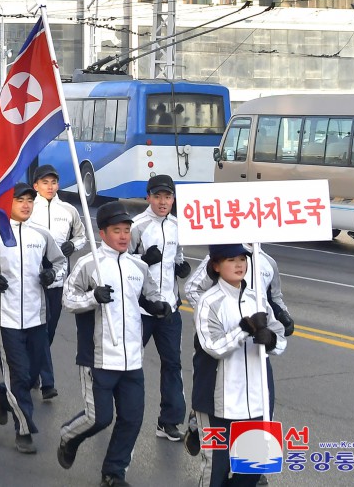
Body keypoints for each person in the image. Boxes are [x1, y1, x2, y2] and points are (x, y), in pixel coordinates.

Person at [58, 201, 170, 487]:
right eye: (116, 230)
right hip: (98, 357)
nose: (122, 236)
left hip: (132, 358)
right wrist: (93, 297)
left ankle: (113, 472)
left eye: (126, 230)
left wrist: (158, 307)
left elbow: (150, 297)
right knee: (100, 417)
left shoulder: (138, 266)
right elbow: (68, 300)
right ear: (102, 232)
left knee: (132, 419)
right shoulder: (88, 264)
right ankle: (68, 437)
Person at [0, 183, 65, 455]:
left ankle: (1, 394)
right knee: (18, 373)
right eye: (19, 200)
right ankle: (23, 429)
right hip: (6, 318)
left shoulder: (42, 235)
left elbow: (60, 263)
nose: (26, 205)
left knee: (32, 374)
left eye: (29, 200)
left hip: (37, 317)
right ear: (8, 203)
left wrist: (52, 276)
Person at [192, 243, 286, 487]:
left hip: (255, 399)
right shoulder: (208, 301)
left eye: (242, 259)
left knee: (254, 470)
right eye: (230, 260)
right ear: (215, 265)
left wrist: (271, 339)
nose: (238, 264)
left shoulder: (258, 298)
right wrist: (243, 329)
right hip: (218, 401)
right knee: (215, 473)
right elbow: (213, 347)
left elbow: (281, 339)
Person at [130, 174, 190, 441]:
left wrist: (182, 266)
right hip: (141, 310)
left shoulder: (177, 225)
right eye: (158, 196)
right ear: (148, 197)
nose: (163, 201)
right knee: (129, 363)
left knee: (173, 364)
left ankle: (169, 421)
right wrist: (142, 259)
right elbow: (119, 261)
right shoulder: (136, 225)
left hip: (169, 308)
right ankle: (121, 415)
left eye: (168, 197)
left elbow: (178, 256)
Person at [30, 164, 86, 401]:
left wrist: (73, 245)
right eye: (45, 182)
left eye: (53, 182)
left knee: (49, 330)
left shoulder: (69, 210)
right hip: (33, 279)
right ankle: (47, 382)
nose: (50, 187)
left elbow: (82, 235)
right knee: (40, 329)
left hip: (59, 278)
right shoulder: (29, 207)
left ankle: (32, 372)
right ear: (36, 186)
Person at [185, 246, 296, 337]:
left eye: (242, 259)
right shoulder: (222, 253)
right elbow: (192, 288)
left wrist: (283, 315)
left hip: (255, 339)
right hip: (220, 336)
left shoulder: (269, 262)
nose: (239, 263)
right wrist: (209, 317)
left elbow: (274, 298)